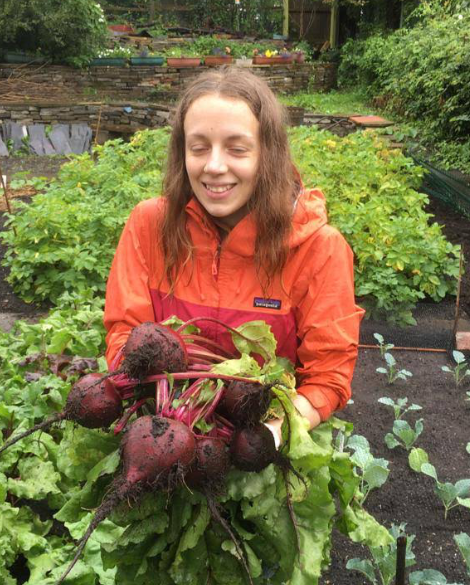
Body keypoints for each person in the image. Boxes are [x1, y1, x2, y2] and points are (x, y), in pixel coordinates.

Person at [102, 66, 363, 445]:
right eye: (199, 147)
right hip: (163, 431)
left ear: (268, 155)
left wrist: (267, 438)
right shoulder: (149, 225)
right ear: (182, 153)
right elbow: (124, 332)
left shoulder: (319, 249)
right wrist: (164, 425)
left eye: (237, 149)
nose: (214, 166)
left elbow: (328, 378)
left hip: (264, 437)